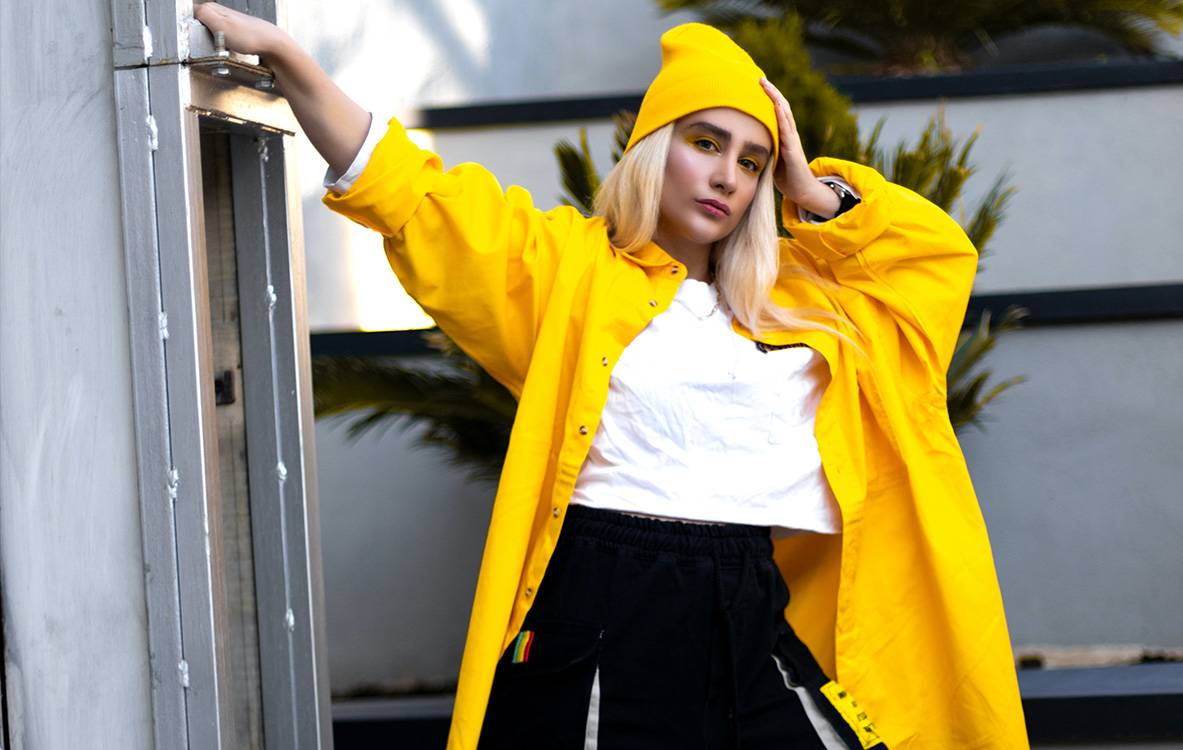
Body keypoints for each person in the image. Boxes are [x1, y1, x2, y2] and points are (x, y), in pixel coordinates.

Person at [196, 4, 1030, 749]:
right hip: (605, 602)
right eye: (706, 143)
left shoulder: (802, 304)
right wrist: (290, 59)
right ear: (656, 149)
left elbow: (933, 264)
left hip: (749, 598)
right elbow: (412, 194)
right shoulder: (570, 270)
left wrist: (809, 188)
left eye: (751, 161)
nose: (727, 176)